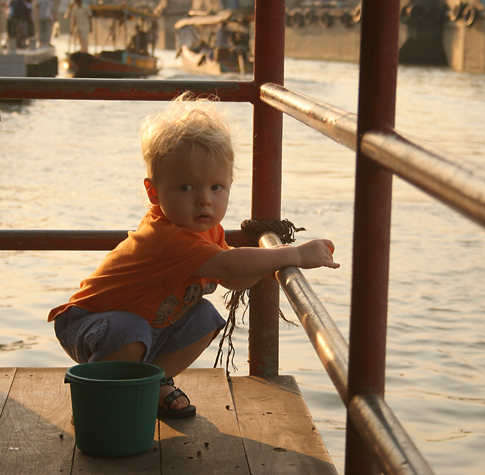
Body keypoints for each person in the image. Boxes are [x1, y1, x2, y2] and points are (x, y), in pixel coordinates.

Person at [48, 92, 340, 419]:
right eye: (187, 188)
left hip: (145, 326)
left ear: (230, 185)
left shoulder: (207, 231)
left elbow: (233, 277)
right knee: (131, 331)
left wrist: (272, 263)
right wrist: (296, 253)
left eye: (216, 188)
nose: (204, 200)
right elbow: (227, 263)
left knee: (204, 317)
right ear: (154, 191)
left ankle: (154, 382)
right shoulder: (167, 237)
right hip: (87, 323)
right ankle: (105, 393)